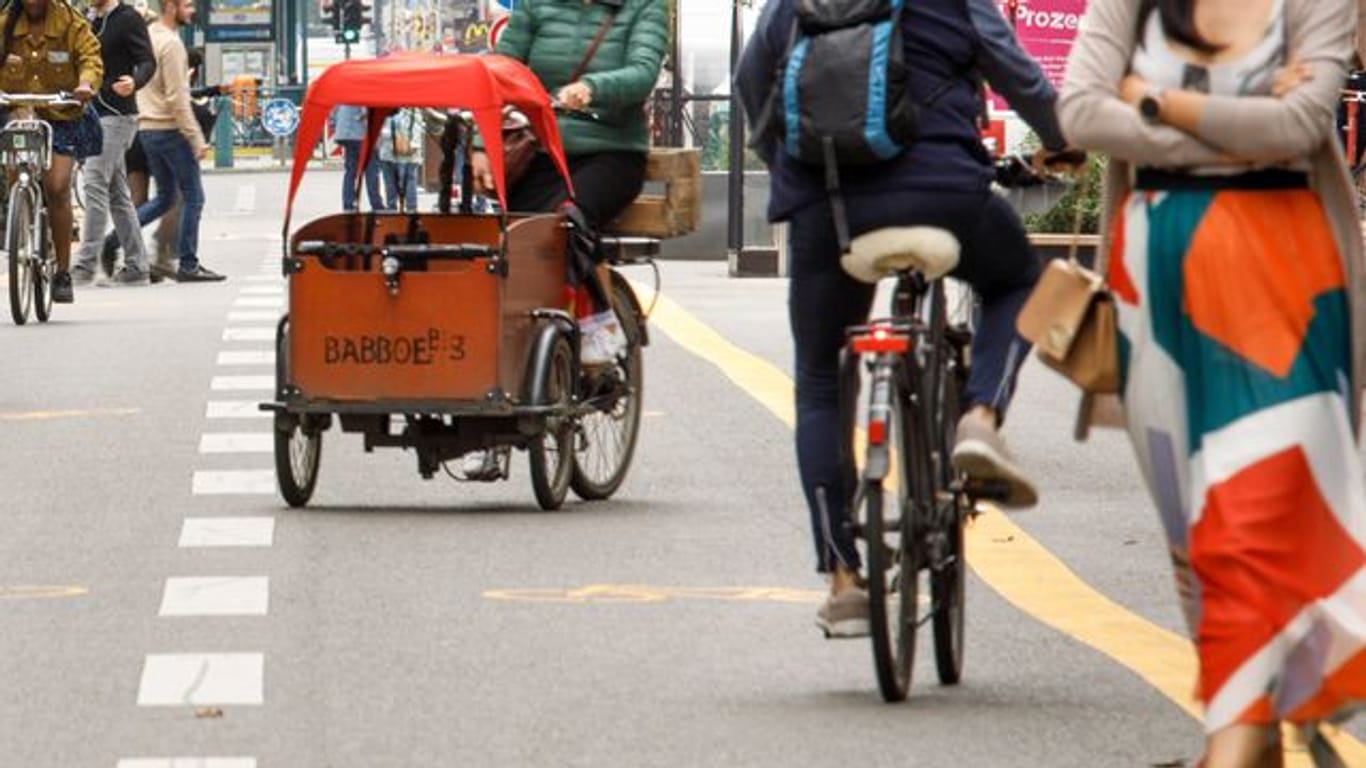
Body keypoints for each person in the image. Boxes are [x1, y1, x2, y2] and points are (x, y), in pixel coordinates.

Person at [1059, 0, 1366, 763]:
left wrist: (1158, 102)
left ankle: (1237, 737)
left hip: (1287, 270)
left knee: (1253, 502)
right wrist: (1234, 124)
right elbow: (1079, 112)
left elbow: (1299, 127)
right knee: (1191, 520)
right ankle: (1249, 725)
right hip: (1154, 273)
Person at [736, 0, 1075, 636]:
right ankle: (979, 416)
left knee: (817, 382)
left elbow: (753, 86)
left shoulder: (791, 4)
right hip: (945, 192)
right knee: (1018, 280)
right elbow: (1019, 78)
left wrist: (788, 166)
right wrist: (1061, 141)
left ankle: (842, 578)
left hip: (827, 206)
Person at [460, 0, 668, 481]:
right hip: (539, 151)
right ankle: (490, 424)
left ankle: (600, 334)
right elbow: (500, 73)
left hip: (610, 155)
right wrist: (479, 144)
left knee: (567, 225)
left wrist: (593, 87)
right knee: (503, 252)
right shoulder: (534, 5)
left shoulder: (645, 7)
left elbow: (642, 71)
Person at [0, 0, 103, 304]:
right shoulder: (6, 23)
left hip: (61, 117)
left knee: (57, 187)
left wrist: (85, 84)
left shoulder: (71, 23)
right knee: (16, 172)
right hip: (19, 112)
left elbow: (90, 58)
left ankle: (62, 272)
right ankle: (21, 213)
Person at [132, 0, 222, 282]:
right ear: (170, 7)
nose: (193, 10)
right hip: (169, 128)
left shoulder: (149, 37)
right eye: (188, 5)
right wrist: (196, 138)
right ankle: (188, 263)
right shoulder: (171, 45)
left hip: (147, 127)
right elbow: (177, 98)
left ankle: (114, 240)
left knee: (164, 197)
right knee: (193, 196)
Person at [71, 0, 155, 287]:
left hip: (118, 115)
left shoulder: (127, 18)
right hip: (91, 114)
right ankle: (137, 266)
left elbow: (147, 60)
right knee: (118, 195)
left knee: (94, 182)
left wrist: (135, 80)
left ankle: (84, 265)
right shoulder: (86, 18)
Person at [331, 103, 383, 212]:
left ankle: (348, 203)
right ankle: (376, 203)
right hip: (359, 132)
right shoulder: (363, 87)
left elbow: (333, 113)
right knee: (371, 169)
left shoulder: (344, 89)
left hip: (344, 133)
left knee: (350, 171)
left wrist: (337, 125)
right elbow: (365, 111)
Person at [378, 107, 423, 212]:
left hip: (391, 153)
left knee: (392, 183)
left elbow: (384, 132)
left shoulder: (386, 110)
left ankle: (393, 210)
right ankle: (410, 210)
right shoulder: (414, 111)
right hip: (408, 153)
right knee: (409, 181)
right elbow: (417, 131)